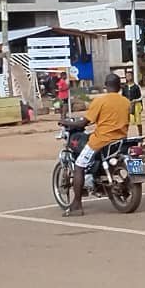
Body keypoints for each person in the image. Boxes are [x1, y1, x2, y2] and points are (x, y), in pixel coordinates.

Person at [60, 74, 130, 217]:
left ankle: (77, 205)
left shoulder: (100, 101)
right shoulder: (125, 101)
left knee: (79, 165)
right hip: (120, 139)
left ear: (105, 85)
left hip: (101, 140)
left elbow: (83, 123)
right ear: (119, 86)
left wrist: (66, 122)